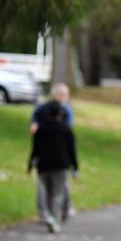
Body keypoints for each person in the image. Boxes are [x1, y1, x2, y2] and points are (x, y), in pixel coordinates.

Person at [27, 100, 78, 234]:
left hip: (43, 166)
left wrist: (30, 164)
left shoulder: (41, 129)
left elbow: (35, 149)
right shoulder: (66, 129)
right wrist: (75, 167)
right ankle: (55, 219)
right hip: (60, 166)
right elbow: (72, 150)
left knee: (48, 192)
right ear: (61, 113)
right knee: (58, 193)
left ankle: (49, 216)